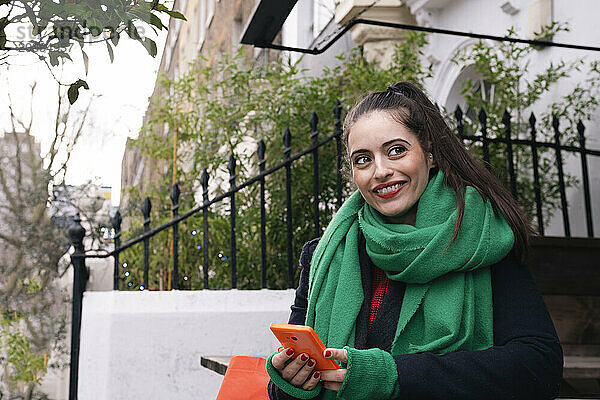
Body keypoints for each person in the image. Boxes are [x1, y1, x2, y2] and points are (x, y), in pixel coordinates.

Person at [265, 81, 563, 400]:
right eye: (362, 159)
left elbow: (538, 368)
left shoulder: (483, 242)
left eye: (396, 150)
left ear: (430, 155)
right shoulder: (322, 255)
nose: (380, 171)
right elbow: (281, 392)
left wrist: (393, 376)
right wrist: (290, 381)